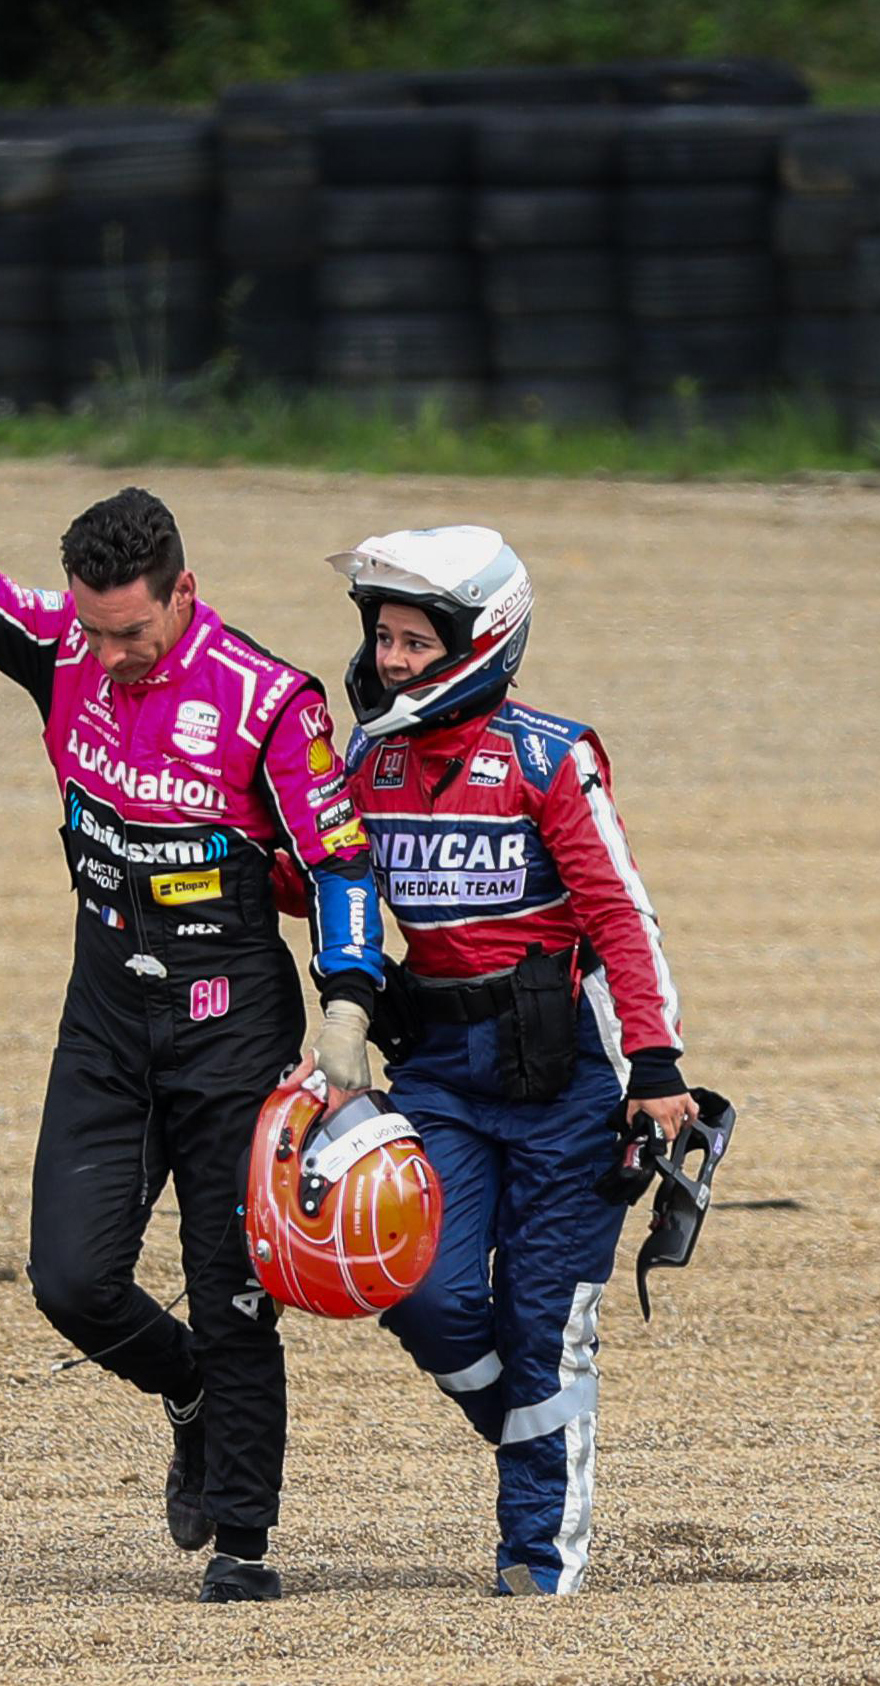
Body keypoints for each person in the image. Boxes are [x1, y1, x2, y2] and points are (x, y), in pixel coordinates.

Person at [0, 319, 383, 1603]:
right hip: (105, 1016)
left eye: (132, 634)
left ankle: (245, 1540)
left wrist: (349, 1006)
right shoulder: (65, 647)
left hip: (231, 1026)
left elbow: (344, 863)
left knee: (233, 1287)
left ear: (183, 593)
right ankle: (184, 1390)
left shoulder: (272, 701)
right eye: (94, 632)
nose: (109, 654)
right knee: (72, 1280)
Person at [297, 524, 696, 1597]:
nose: (390, 660)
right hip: (435, 1071)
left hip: (569, 1081)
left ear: (484, 640)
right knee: (415, 1286)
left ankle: (537, 1560)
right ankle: (522, 1431)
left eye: (415, 642)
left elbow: (620, 912)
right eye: (383, 637)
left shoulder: (552, 756)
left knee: (541, 1320)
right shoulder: (367, 763)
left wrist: (656, 1068)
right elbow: (324, 875)